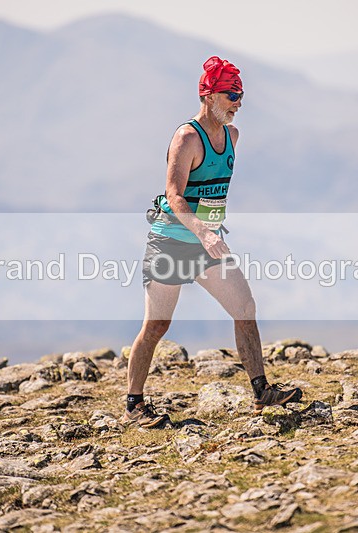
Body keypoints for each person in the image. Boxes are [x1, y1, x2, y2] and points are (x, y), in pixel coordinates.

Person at [123, 56, 304, 428]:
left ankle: (261, 392)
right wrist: (202, 230)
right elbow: (174, 195)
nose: (238, 102)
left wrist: (211, 233)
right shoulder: (187, 138)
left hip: (209, 245)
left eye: (241, 94)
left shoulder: (233, 137)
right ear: (208, 95)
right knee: (157, 325)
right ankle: (133, 406)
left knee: (245, 307)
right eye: (231, 94)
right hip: (172, 241)